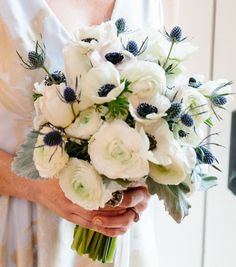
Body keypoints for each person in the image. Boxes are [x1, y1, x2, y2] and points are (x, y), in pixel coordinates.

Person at [0, 0, 178, 266]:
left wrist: (142, 188)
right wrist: (35, 187)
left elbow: (166, 115)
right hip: (22, 236)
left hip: (124, 243)